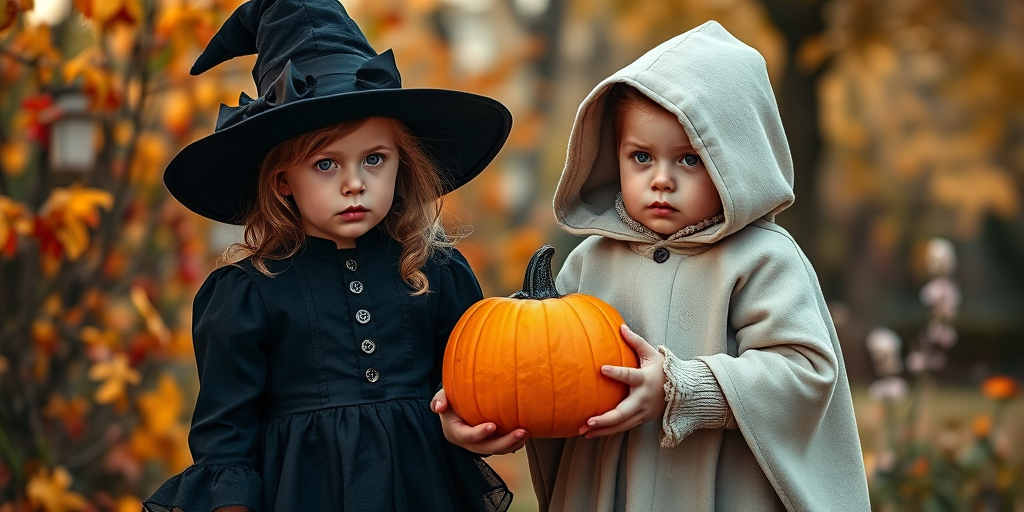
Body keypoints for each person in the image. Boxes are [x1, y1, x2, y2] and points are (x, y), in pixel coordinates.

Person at [437, 20, 870, 512]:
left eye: (689, 159)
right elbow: (544, 374)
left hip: (719, 490)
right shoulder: (589, 263)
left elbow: (805, 373)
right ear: (614, 157)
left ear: (736, 161)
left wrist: (682, 387)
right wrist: (487, 409)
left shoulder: (763, 259)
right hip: (608, 490)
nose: (661, 180)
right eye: (641, 157)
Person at [143, 1, 522, 511]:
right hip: (300, 491)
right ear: (283, 182)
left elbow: (467, 381)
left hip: (424, 488)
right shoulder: (246, 293)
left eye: (374, 159)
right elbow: (225, 434)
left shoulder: (435, 271)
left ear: (400, 165)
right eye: (325, 163)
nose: (353, 184)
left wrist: (472, 424)